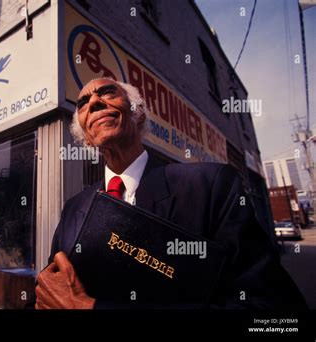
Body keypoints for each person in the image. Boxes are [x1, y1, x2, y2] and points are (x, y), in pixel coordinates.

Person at [34, 77, 307, 310]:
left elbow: (271, 308)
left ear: (138, 112)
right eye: (83, 103)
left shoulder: (211, 186)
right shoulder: (73, 208)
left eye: (107, 92)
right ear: (85, 136)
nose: (93, 102)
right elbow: (49, 293)